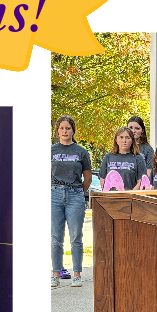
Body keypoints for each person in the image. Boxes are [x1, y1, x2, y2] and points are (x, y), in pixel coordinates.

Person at [50, 115, 91, 285]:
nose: (65, 131)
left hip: (75, 194)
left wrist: (78, 193)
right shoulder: (51, 150)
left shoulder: (81, 152)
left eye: (68, 128)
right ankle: (55, 274)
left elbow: (87, 178)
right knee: (55, 237)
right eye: (62, 128)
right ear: (57, 131)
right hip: (54, 195)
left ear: (73, 130)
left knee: (76, 237)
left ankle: (77, 275)